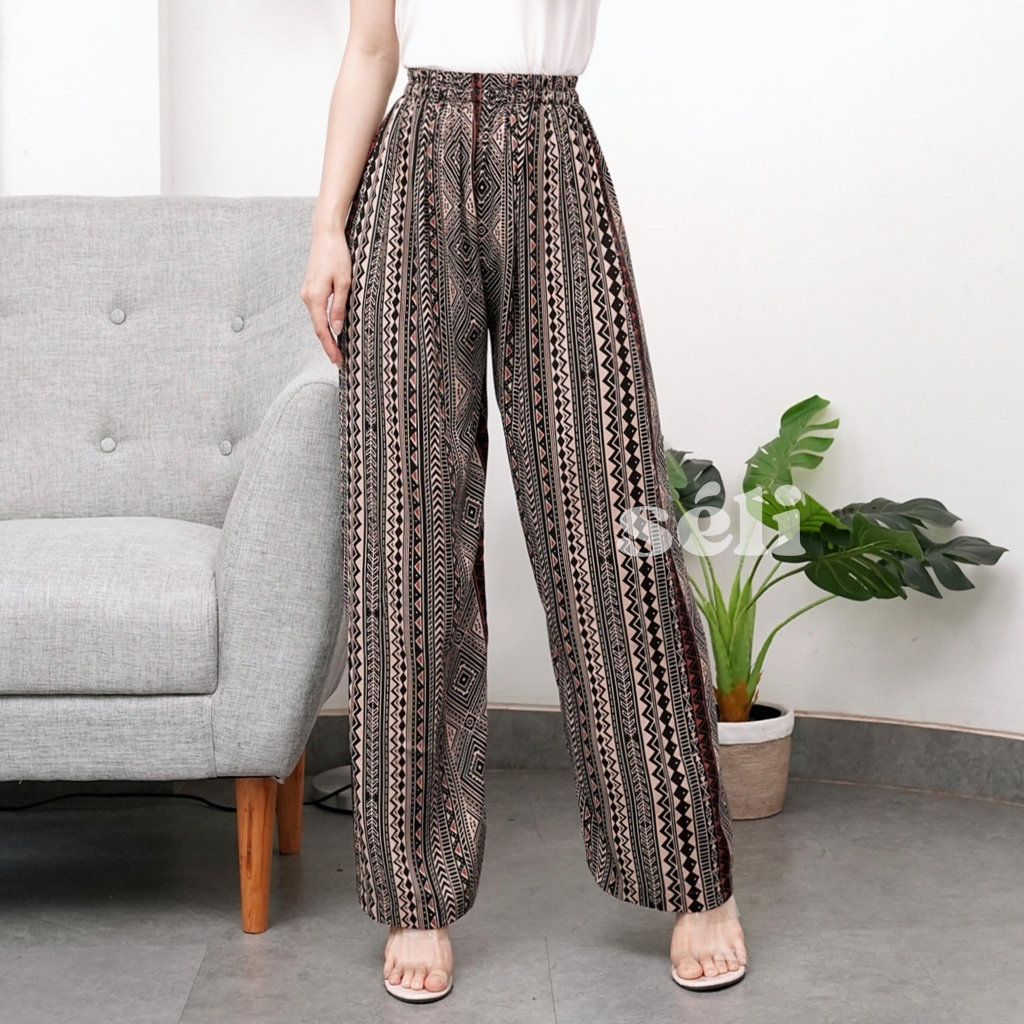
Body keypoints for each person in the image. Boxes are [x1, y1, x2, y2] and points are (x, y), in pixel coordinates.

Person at [302, 0, 748, 1003]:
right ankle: (415, 896)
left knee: (615, 530)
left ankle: (694, 878)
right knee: (404, 540)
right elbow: (370, 46)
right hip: (409, 163)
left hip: (553, 158)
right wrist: (328, 227)